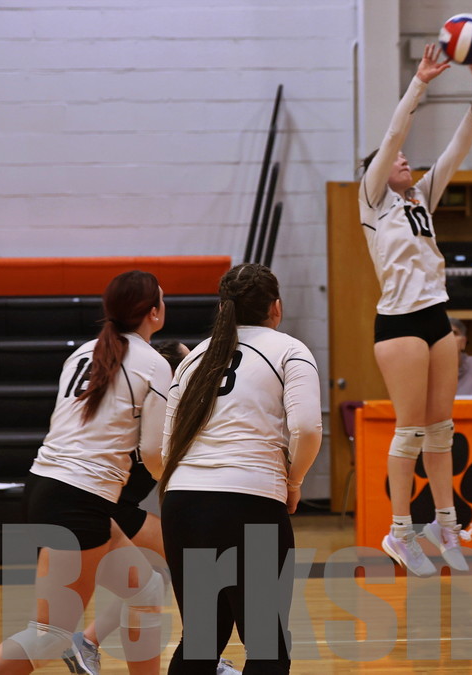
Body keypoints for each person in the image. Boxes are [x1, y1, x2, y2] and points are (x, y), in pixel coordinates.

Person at [0, 271, 171, 675]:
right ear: (154, 312)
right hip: (76, 499)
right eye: (162, 300)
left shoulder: (83, 352)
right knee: (49, 635)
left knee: (147, 590)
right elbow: (153, 452)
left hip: (48, 486)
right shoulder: (154, 363)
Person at [358, 43, 472, 576]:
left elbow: (457, 150)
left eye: (402, 159)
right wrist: (420, 83)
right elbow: (395, 134)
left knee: (442, 429)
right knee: (410, 429)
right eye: (393, 159)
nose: (402, 158)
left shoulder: (419, 198)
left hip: (437, 315)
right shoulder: (374, 202)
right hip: (399, 321)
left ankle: (445, 522)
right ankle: (398, 531)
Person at [159, 263, 321, 673]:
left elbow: (168, 446)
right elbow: (306, 428)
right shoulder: (289, 350)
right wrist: (294, 481)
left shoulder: (194, 358)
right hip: (249, 503)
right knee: (266, 642)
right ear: (276, 307)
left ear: (222, 307)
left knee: (201, 639)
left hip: (184, 505)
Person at [63, 340, 245, 675]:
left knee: (152, 582)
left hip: (112, 504)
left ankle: (88, 641)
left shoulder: (157, 404)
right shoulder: (158, 408)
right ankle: (203, 653)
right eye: (189, 363)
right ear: (173, 373)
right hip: (107, 504)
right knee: (193, 564)